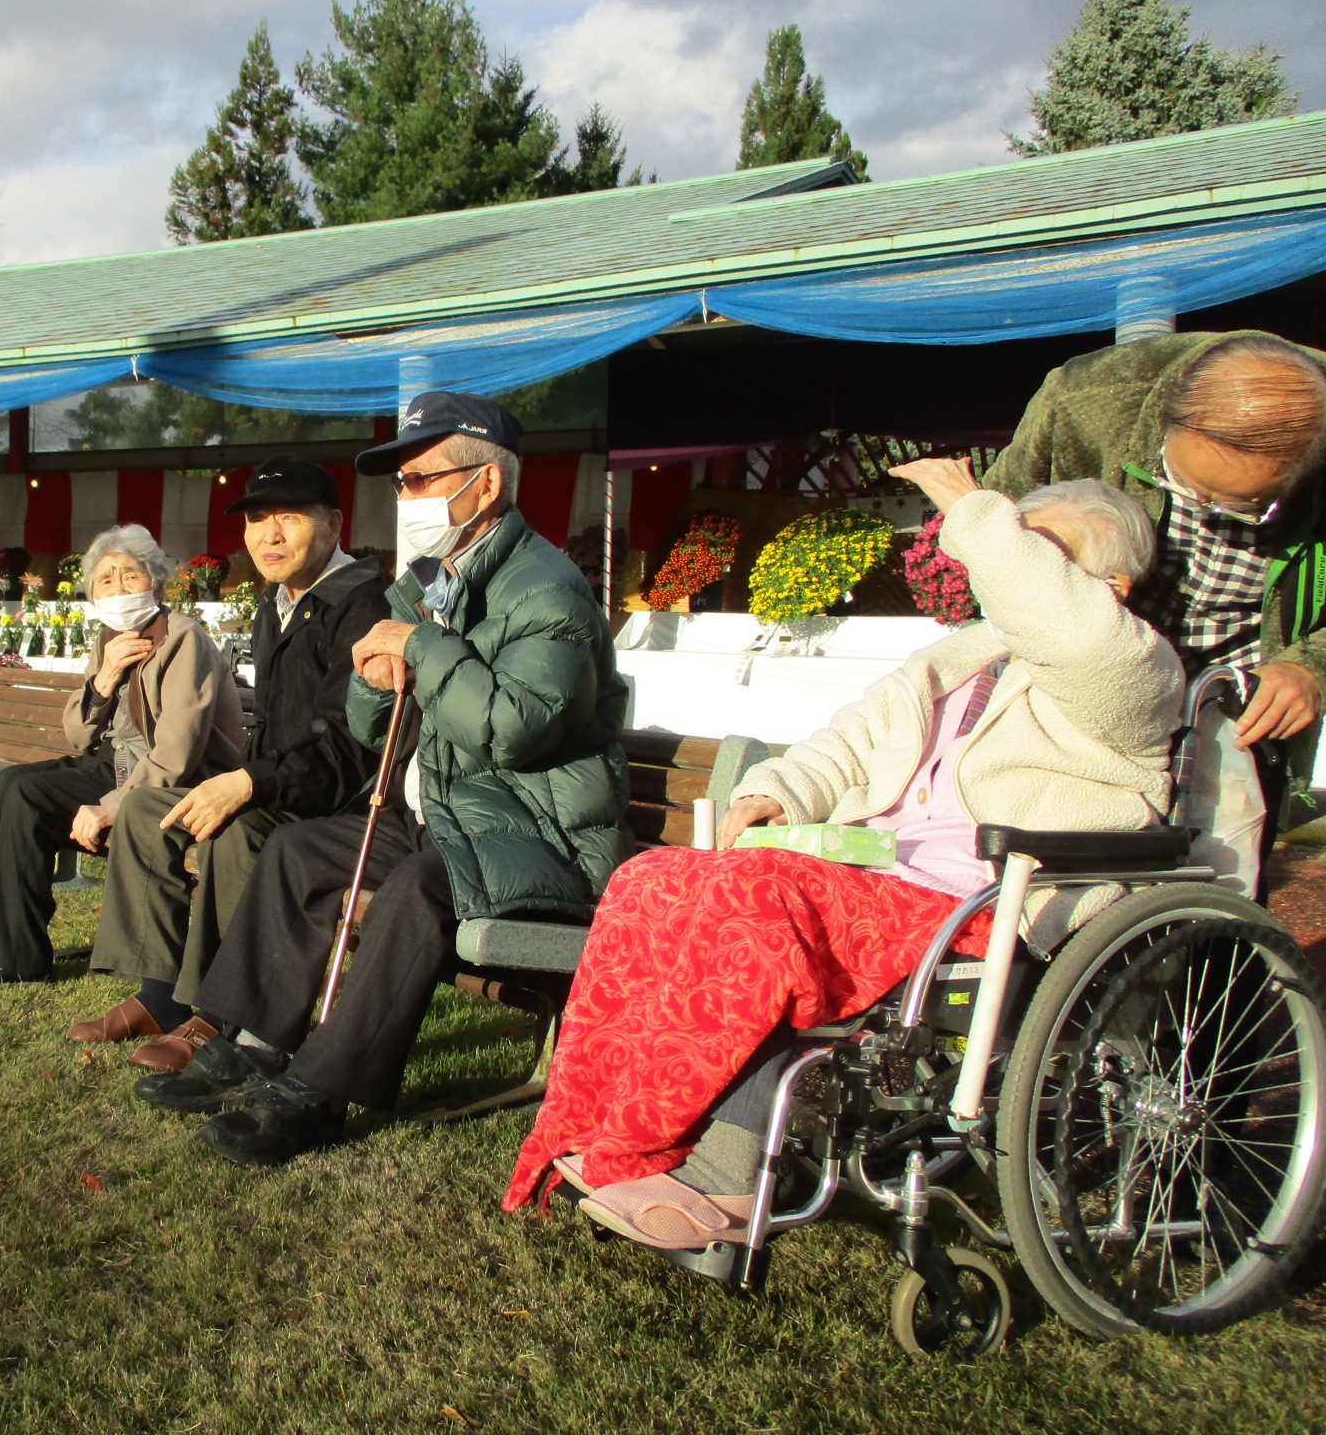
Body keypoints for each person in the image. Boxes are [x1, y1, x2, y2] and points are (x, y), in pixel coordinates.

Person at [504, 467, 1184, 1247]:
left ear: (1113, 587)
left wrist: (975, 511)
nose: (1011, 563)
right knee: (650, 879)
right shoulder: (958, 659)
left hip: (983, 906)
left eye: (1042, 554)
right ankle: (600, 1121)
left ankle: (721, 1172)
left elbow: (1073, 629)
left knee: (760, 895)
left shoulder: (1132, 673)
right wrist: (779, 793)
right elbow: (847, 743)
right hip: (873, 880)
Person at [134, 391, 631, 1166]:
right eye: (401, 484)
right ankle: (257, 1041)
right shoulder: (427, 582)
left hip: (536, 837)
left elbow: (514, 727)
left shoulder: (549, 590)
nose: (409, 500)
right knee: (298, 853)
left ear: (486, 485)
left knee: (418, 891)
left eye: (423, 479)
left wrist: (424, 651)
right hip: (444, 819)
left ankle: (321, 1089)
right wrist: (375, 672)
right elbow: (373, 729)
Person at [67, 457, 390, 1065]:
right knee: (142, 810)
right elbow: (270, 724)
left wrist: (246, 784)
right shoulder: (279, 601)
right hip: (278, 784)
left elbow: (351, 748)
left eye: (288, 519)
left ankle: (222, 1013)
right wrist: (244, 779)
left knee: (233, 830)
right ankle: (161, 996)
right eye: (256, 519)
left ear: (334, 525)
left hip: (338, 804)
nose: (268, 535)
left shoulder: (360, 604)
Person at [983, 330, 1326, 749]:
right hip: (1080, 690)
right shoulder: (1084, 400)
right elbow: (995, 535)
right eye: (1183, 485)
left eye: (1240, 508)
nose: (1204, 512)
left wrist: (1310, 669)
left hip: (1238, 712)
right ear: (1168, 413)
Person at [0, 524, 245, 985]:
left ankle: (11, 955)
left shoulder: (182, 638)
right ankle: (3, 939)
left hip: (173, 781)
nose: (118, 588)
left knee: (27, 798)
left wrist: (110, 807)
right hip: (114, 764)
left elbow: (178, 752)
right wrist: (106, 677)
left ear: (156, 582)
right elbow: (78, 736)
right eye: (105, 580)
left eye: (129, 576)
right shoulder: (108, 640)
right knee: (10, 784)